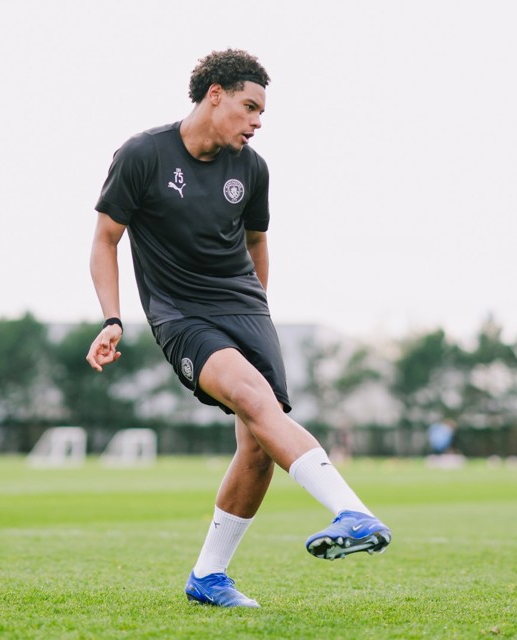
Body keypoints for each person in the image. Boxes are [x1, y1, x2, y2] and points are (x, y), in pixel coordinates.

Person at [86, 49, 391, 609]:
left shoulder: (253, 168)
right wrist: (112, 318)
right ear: (215, 95)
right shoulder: (142, 155)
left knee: (257, 444)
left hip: (247, 311)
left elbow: (257, 243)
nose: (256, 122)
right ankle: (353, 511)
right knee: (254, 398)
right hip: (182, 315)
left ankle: (208, 576)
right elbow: (106, 240)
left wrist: (258, 314)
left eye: (262, 114)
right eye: (249, 107)